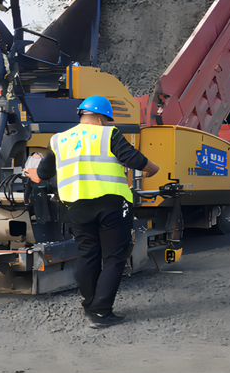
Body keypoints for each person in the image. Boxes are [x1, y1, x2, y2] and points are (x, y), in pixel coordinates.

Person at [26, 95, 160, 329]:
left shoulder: (59, 139)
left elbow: (45, 172)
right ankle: (100, 312)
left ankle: (90, 305)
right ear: (100, 118)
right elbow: (134, 159)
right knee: (114, 257)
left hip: (76, 207)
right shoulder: (109, 134)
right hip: (110, 204)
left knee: (88, 254)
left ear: (82, 114)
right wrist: (153, 169)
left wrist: (35, 174)